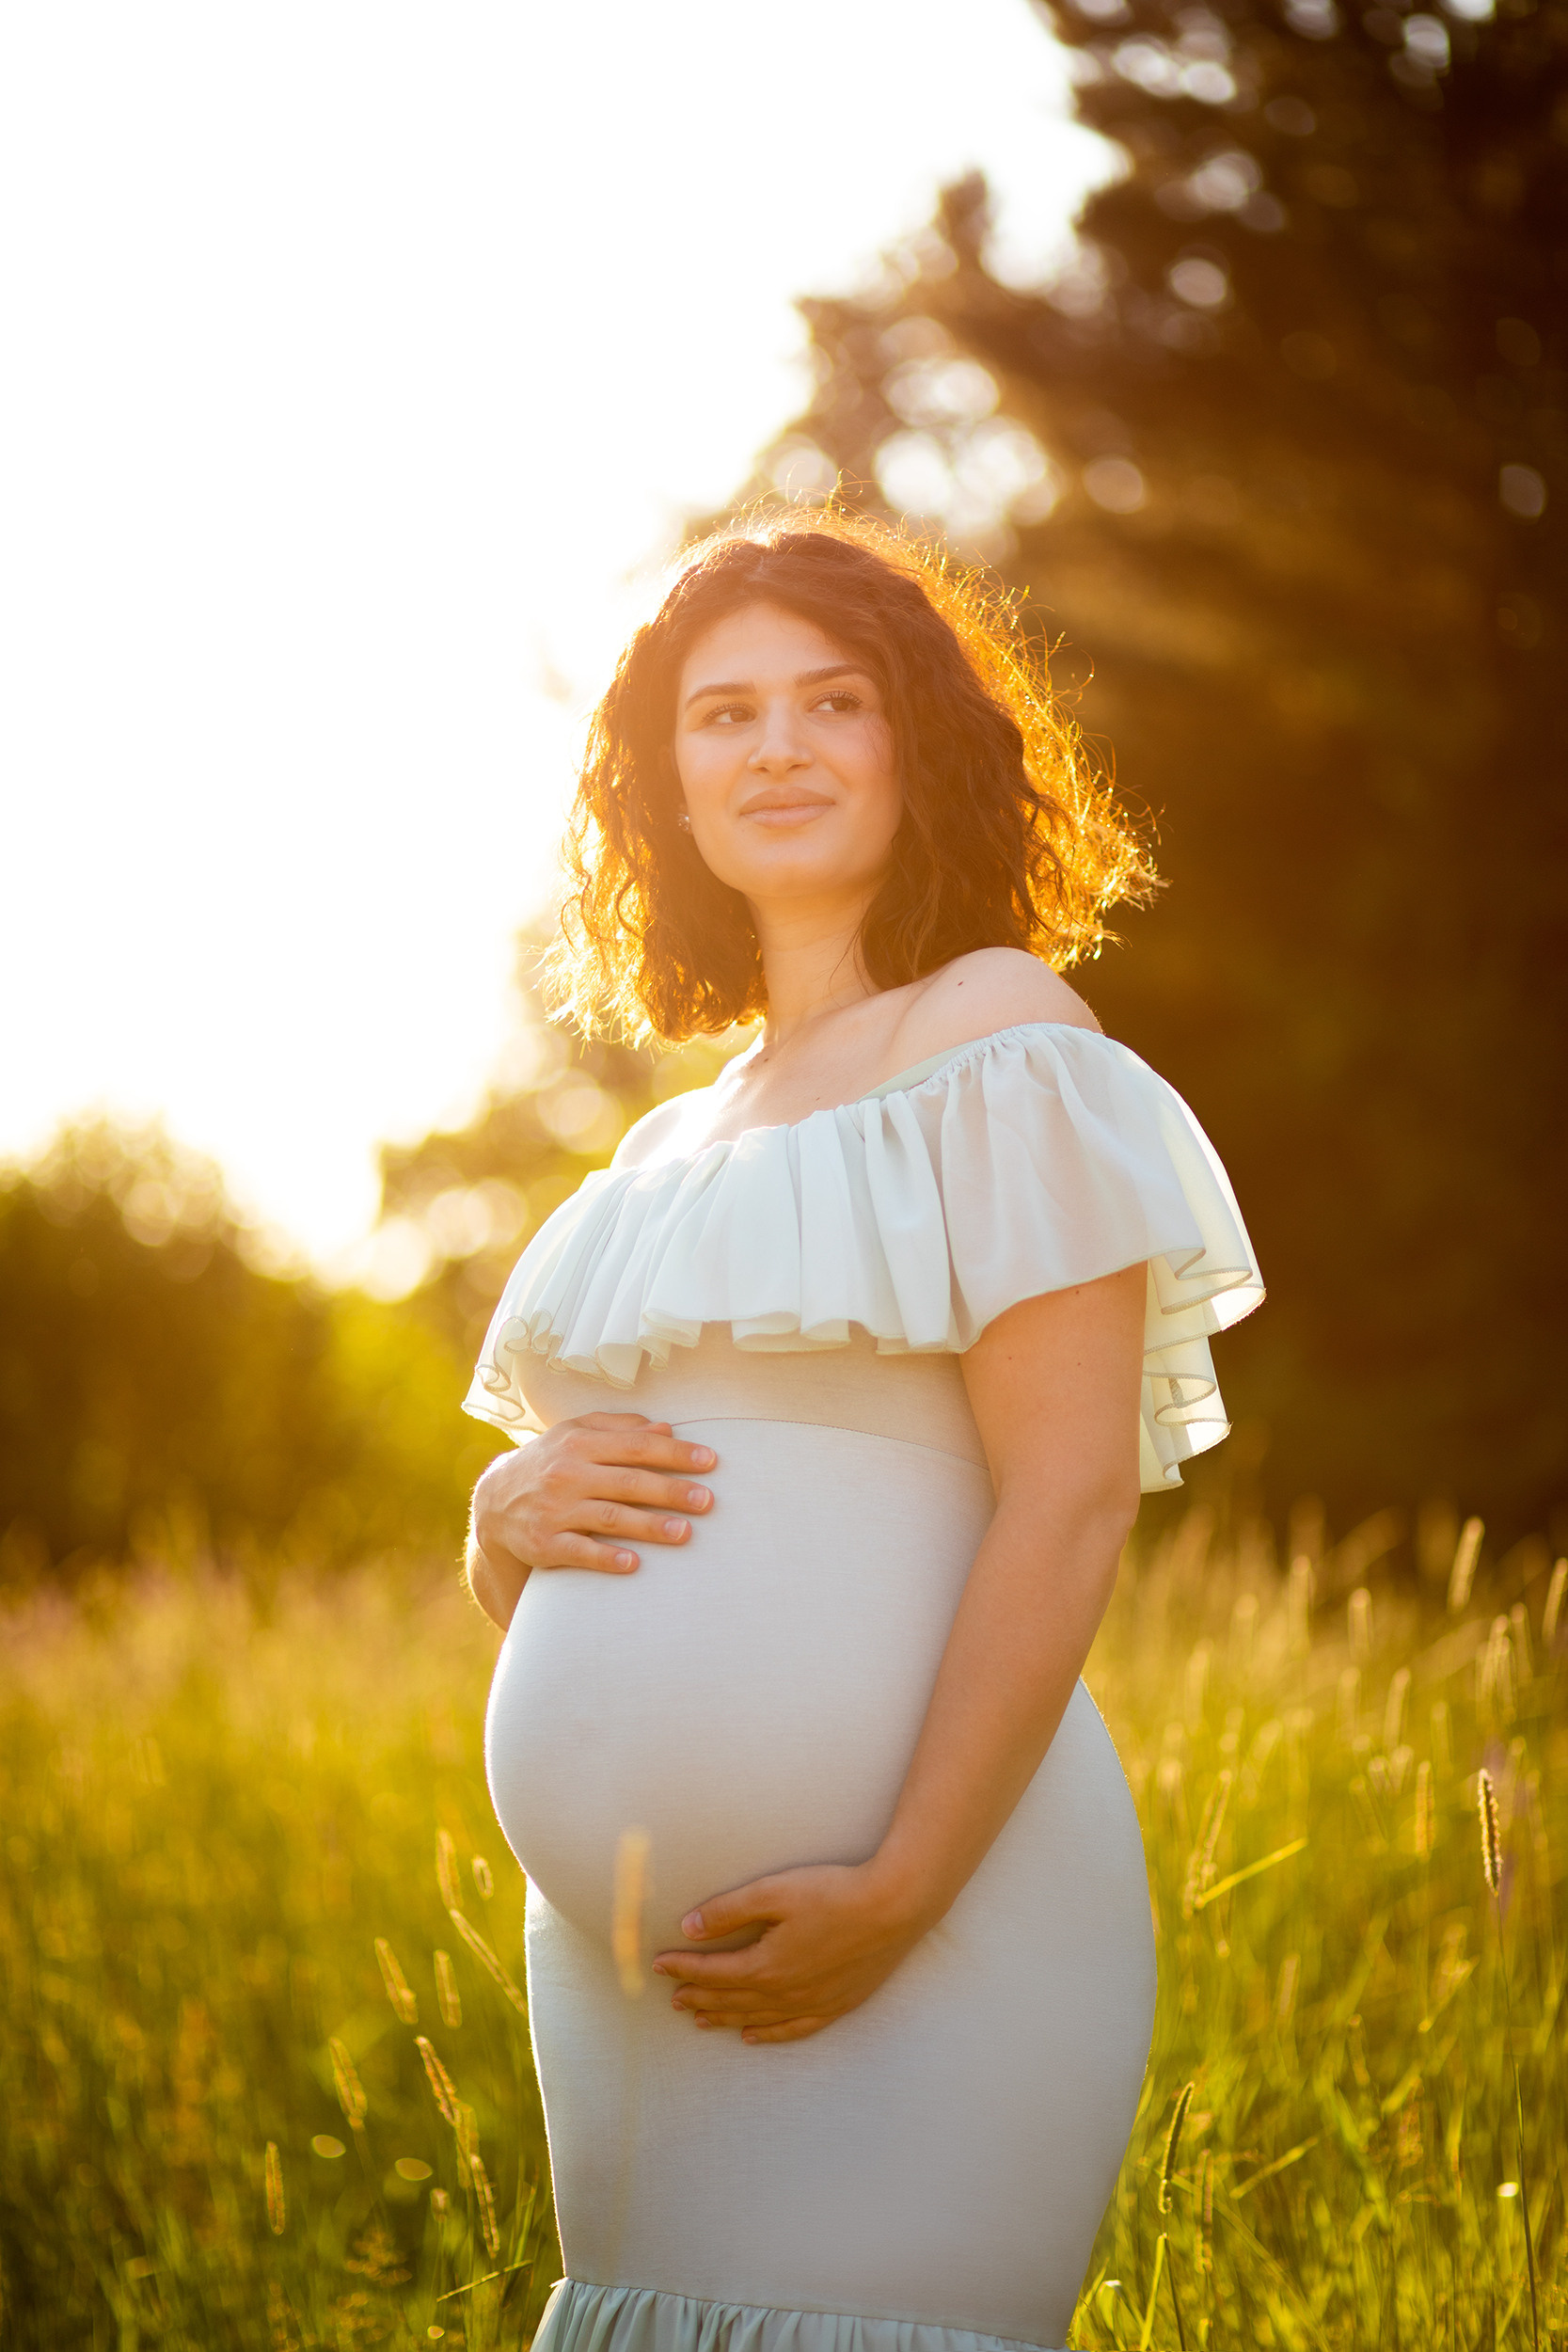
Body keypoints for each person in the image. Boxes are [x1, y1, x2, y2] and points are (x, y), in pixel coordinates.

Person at [462, 513, 1263, 2352]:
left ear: (918, 738)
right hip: (626, 1965)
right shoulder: (658, 1150)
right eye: (725, 712)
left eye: (835, 699)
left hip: (943, 1912)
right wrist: (502, 1515)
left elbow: (1067, 1499)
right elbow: (585, 1576)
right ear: (665, 782)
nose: (779, 747)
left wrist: (904, 1884)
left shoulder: (995, 1032)